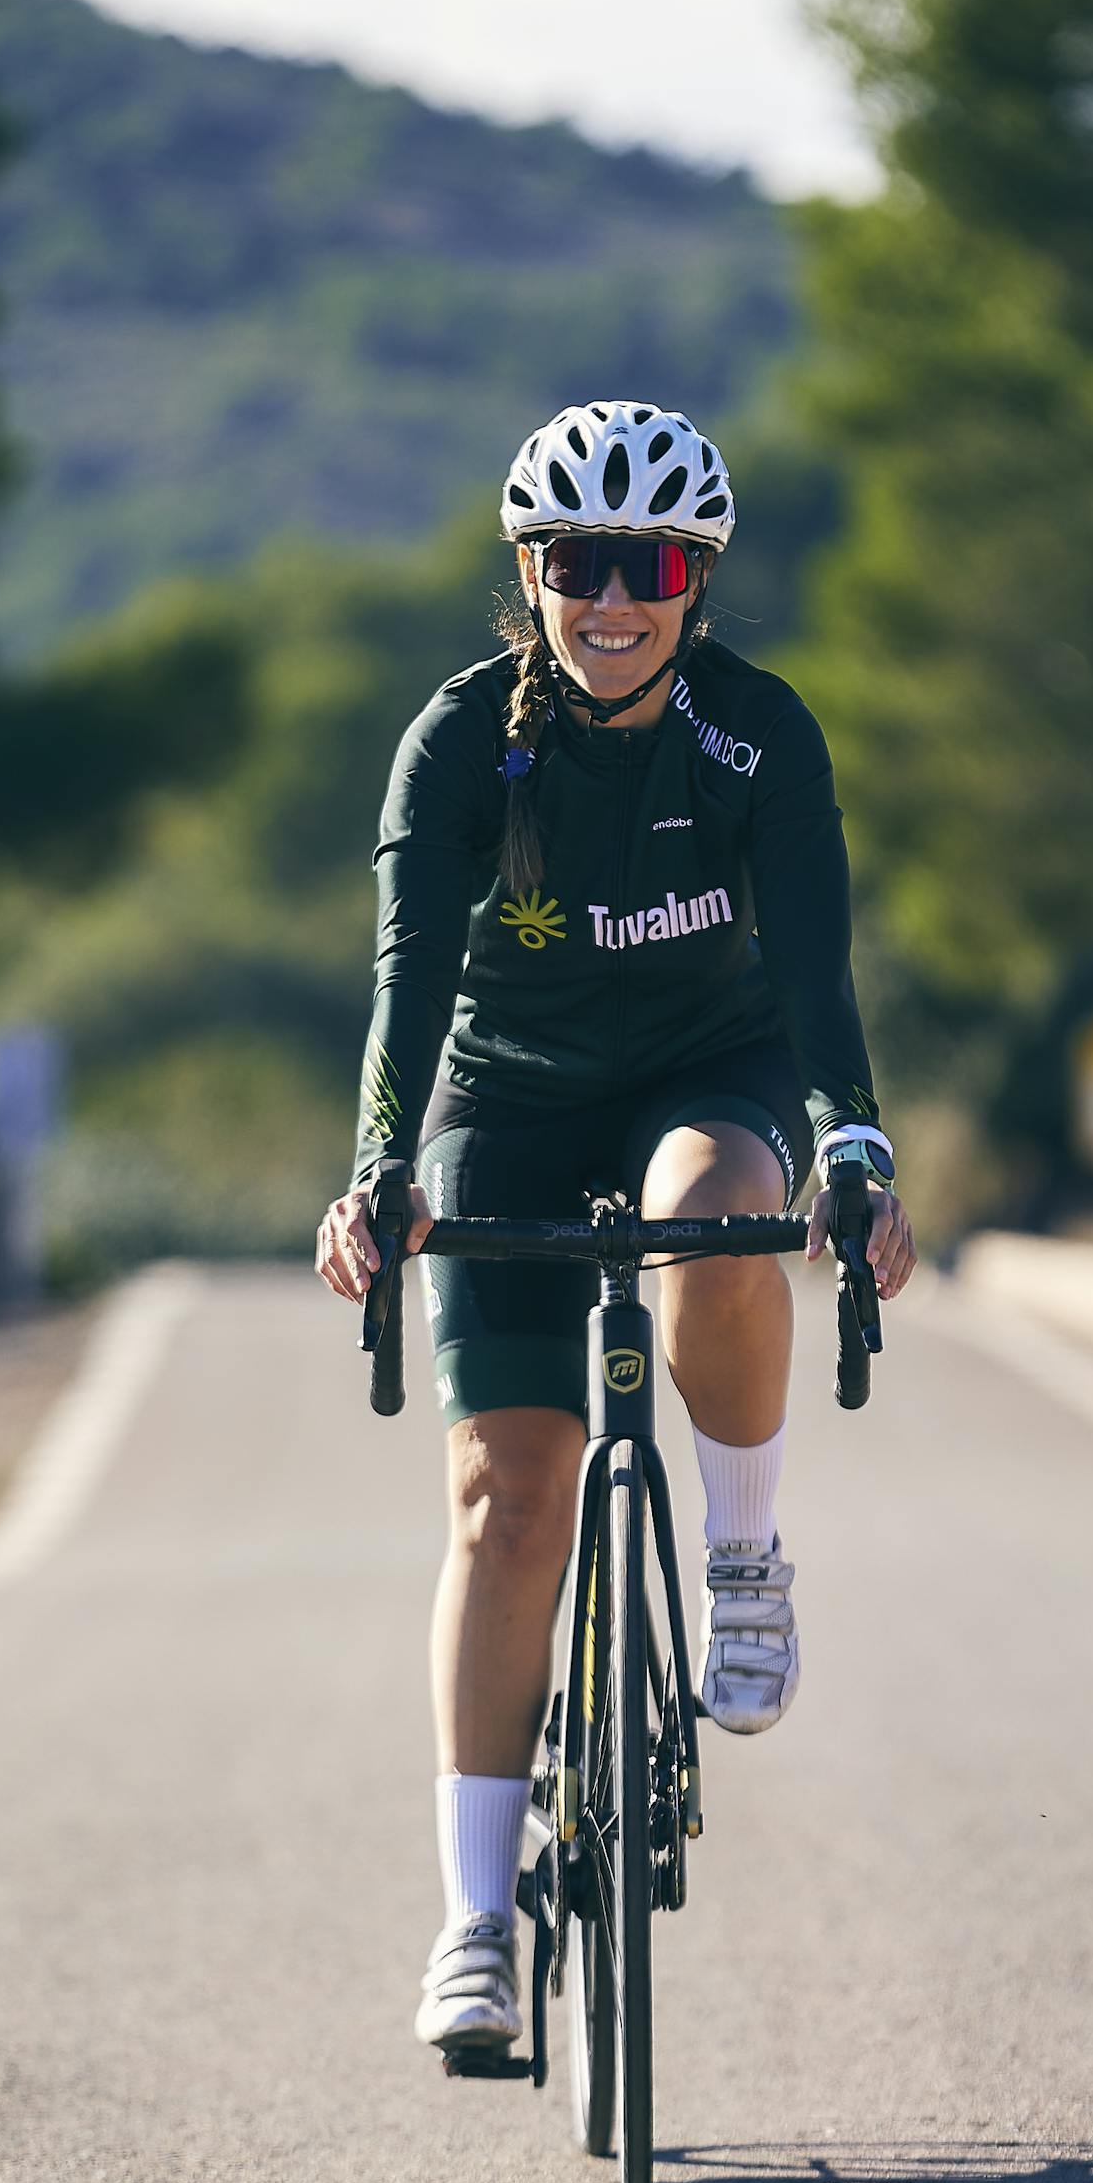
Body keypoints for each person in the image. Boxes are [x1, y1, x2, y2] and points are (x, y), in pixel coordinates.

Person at [316, 400, 916, 2057]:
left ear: (695, 584)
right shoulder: (460, 745)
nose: (613, 599)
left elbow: (814, 979)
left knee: (710, 1214)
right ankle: (476, 1919)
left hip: (701, 1078)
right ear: (534, 571)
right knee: (512, 1501)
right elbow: (405, 983)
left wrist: (855, 1154)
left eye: (650, 565)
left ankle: (740, 1553)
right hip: (503, 1095)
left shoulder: (757, 738)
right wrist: (378, 1167)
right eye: (580, 562)